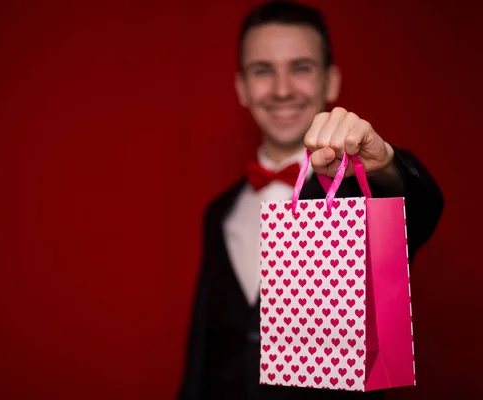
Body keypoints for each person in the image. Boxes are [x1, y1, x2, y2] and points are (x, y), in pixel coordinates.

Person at [177, 1, 445, 400]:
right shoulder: (219, 212)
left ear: (331, 81)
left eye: (301, 67)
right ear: (242, 88)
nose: (282, 90)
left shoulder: (364, 188)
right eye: (263, 70)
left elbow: (422, 205)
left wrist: (385, 164)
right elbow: (201, 349)